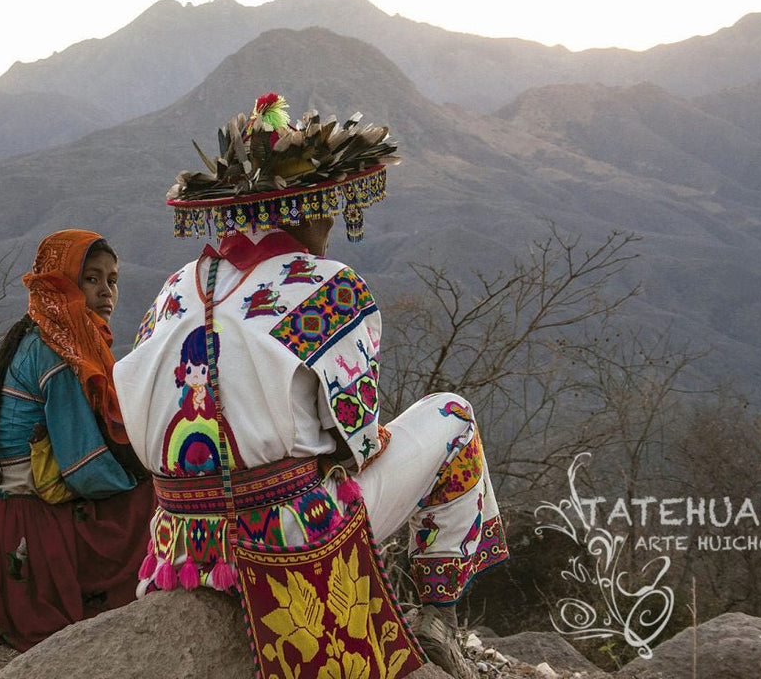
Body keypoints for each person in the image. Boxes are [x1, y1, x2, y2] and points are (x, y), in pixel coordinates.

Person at [113, 95, 509, 678]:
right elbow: (360, 443)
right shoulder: (329, 288)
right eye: (328, 207)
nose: (332, 223)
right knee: (451, 415)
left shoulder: (175, 287)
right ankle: (438, 621)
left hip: (182, 539)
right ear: (306, 209)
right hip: (283, 531)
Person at [0, 229, 155, 651]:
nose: (106, 291)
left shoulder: (39, 332)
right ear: (61, 282)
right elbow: (85, 469)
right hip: (19, 520)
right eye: (91, 278)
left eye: (112, 279)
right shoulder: (58, 350)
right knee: (151, 496)